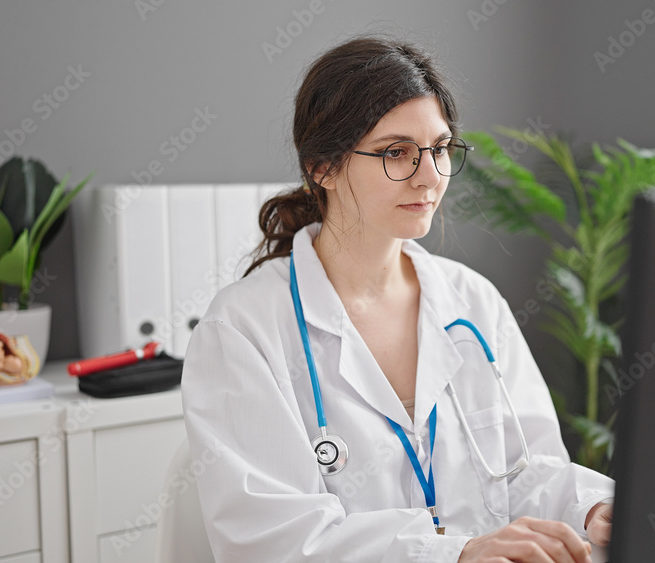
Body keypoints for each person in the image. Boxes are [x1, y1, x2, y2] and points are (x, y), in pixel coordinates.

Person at [182, 36, 615, 563]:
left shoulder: (472, 302)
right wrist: (455, 555)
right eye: (396, 153)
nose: (431, 177)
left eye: (439, 149)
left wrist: (591, 507)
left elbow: (529, 470)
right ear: (322, 167)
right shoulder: (243, 330)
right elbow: (276, 542)